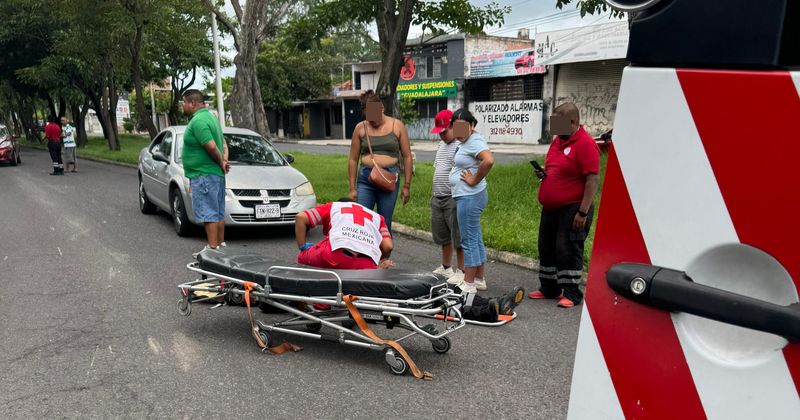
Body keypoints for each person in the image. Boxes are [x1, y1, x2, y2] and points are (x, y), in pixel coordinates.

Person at [296, 199, 522, 322]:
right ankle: (486, 305)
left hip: (342, 266)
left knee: (423, 296)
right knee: (429, 290)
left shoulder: (331, 215)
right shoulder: (374, 217)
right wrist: (378, 265)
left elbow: (302, 222)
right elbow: (387, 247)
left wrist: (303, 248)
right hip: (366, 270)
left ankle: (487, 309)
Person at [530, 103, 600, 308]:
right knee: (546, 247)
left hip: (573, 207)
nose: (554, 127)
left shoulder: (585, 144)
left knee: (567, 248)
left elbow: (593, 180)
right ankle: (549, 288)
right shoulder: (557, 142)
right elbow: (558, 166)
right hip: (551, 207)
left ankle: (571, 292)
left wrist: (583, 212)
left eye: (558, 122)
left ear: (573, 122)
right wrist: (545, 172)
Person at [347, 90, 413, 233]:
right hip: (365, 180)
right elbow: (353, 159)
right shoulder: (360, 128)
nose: (372, 120)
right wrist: (352, 189)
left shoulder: (397, 125)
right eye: (369, 116)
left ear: (381, 107)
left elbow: (407, 156)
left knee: (384, 222)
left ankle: (384, 255)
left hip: (389, 180)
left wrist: (407, 185)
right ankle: (365, 254)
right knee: (361, 222)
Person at [448, 109, 494, 294]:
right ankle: (478, 278)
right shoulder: (467, 141)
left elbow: (488, 161)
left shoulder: (474, 141)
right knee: (475, 237)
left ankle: (468, 284)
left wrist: (474, 179)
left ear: (471, 125)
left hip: (470, 196)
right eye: (455, 127)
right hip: (467, 195)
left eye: (462, 127)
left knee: (468, 240)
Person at [181, 89, 229, 256]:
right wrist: (223, 161)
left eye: (184, 102)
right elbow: (224, 144)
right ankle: (220, 246)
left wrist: (220, 161)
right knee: (217, 211)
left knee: (209, 213)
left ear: (192, 103)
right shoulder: (211, 118)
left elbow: (211, 146)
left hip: (204, 174)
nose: (183, 106)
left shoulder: (199, 121)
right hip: (214, 174)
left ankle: (212, 249)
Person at [295, 198, 394, 270]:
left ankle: (307, 293)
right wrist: (379, 260)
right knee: (367, 273)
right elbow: (388, 246)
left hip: (334, 255)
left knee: (303, 256)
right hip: (366, 263)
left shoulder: (334, 206)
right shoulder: (377, 218)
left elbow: (301, 217)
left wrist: (302, 246)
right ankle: (376, 270)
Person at [428, 109, 464, 284]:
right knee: (442, 236)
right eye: (439, 133)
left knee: (458, 236)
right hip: (438, 196)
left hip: (453, 196)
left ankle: (462, 271)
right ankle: (446, 266)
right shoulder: (442, 145)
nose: (441, 135)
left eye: (444, 131)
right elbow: (439, 168)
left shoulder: (461, 145)